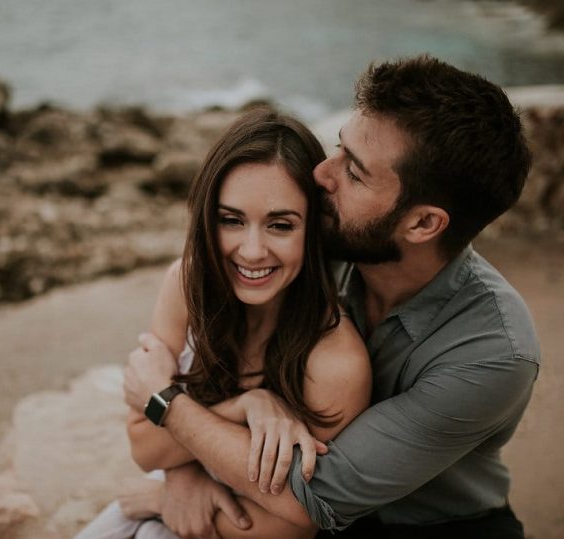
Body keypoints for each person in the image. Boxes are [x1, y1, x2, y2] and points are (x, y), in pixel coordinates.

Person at [123, 54, 539, 538]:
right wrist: (185, 473)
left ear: (422, 223)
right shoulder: (322, 239)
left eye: (355, 172)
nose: (322, 173)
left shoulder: (494, 353)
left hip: (432, 524)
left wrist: (169, 412)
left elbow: (315, 496)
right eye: (340, 146)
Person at [78, 108, 371, 539]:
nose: (251, 252)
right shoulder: (185, 285)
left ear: (312, 232)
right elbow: (144, 448)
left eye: (280, 225)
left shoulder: (334, 363)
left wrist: (164, 498)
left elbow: (298, 522)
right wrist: (241, 409)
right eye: (231, 220)